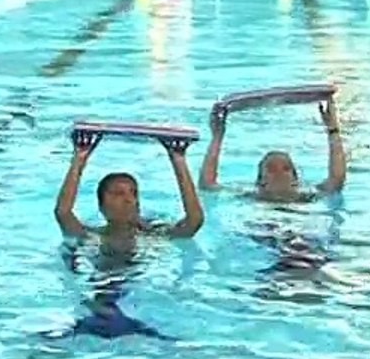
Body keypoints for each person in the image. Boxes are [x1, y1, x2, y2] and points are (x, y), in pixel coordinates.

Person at [50, 130, 203, 340]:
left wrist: (178, 159)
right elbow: (63, 212)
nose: (128, 199)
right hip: (98, 302)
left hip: (137, 303)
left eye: (133, 193)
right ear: (102, 207)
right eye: (118, 194)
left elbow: (194, 220)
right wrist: (79, 158)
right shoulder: (91, 237)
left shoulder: (153, 237)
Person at [198, 97, 346, 202]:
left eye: (285, 168)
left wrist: (333, 129)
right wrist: (217, 136)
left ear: (295, 180)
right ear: (260, 182)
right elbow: (207, 185)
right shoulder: (253, 197)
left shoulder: (307, 197)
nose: (279, 174)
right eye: (271, 169)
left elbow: (337, 179)